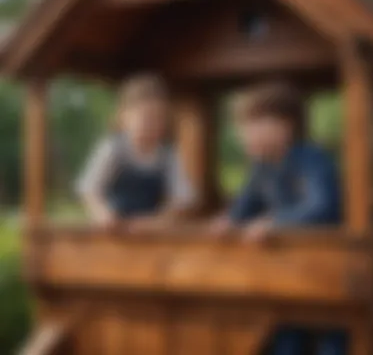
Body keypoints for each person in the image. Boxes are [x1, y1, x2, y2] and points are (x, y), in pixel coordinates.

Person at [211, 82, 346, 355]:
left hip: (328, 270)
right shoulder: (261, 167)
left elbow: (323, 207)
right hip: (287, 275)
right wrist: (228, 222)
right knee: (284, 335)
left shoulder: (312, 159)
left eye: (253, 124)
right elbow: (244, 207)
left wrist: (275, 223)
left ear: (286, 126)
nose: (244, 134)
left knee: (333, 338)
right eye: (242, 127)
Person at [76, 74, 197, 231]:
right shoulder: (114, 148)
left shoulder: (166, 155)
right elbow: (89, 189)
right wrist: (102, 214)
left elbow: (181, 197)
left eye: (157, 118)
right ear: (124, 116)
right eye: (145, 118)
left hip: (149, 230)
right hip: (114, 229)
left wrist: (161, 220)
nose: (151, 125)